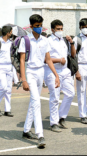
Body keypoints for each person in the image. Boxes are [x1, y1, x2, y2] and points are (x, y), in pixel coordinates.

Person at [19, 14, 60, 148]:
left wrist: (56, 75)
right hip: (30, 72)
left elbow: (48, 59)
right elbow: (22, 60)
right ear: (31, 27)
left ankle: (26, 130)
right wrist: (23, 79)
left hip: (40, 72)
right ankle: (40, 134)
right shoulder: (25, 40)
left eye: (41, 26)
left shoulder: (44, 40)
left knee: (33, 101)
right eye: (37, 26)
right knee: (36, 102)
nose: (39, 28)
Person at [45, 19, 76, 132]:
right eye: (58, 29)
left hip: (65, 71)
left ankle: (61, 117)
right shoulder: (48, 41)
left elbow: (72, 55)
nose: (60, 31)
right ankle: (53, 123)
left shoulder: (63, 40)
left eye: (61, 29)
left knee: (70, 93)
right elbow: (45, 59)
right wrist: (58, 60)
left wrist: (71, 42)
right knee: (55, 97)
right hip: (52, 71)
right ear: (52, 30)